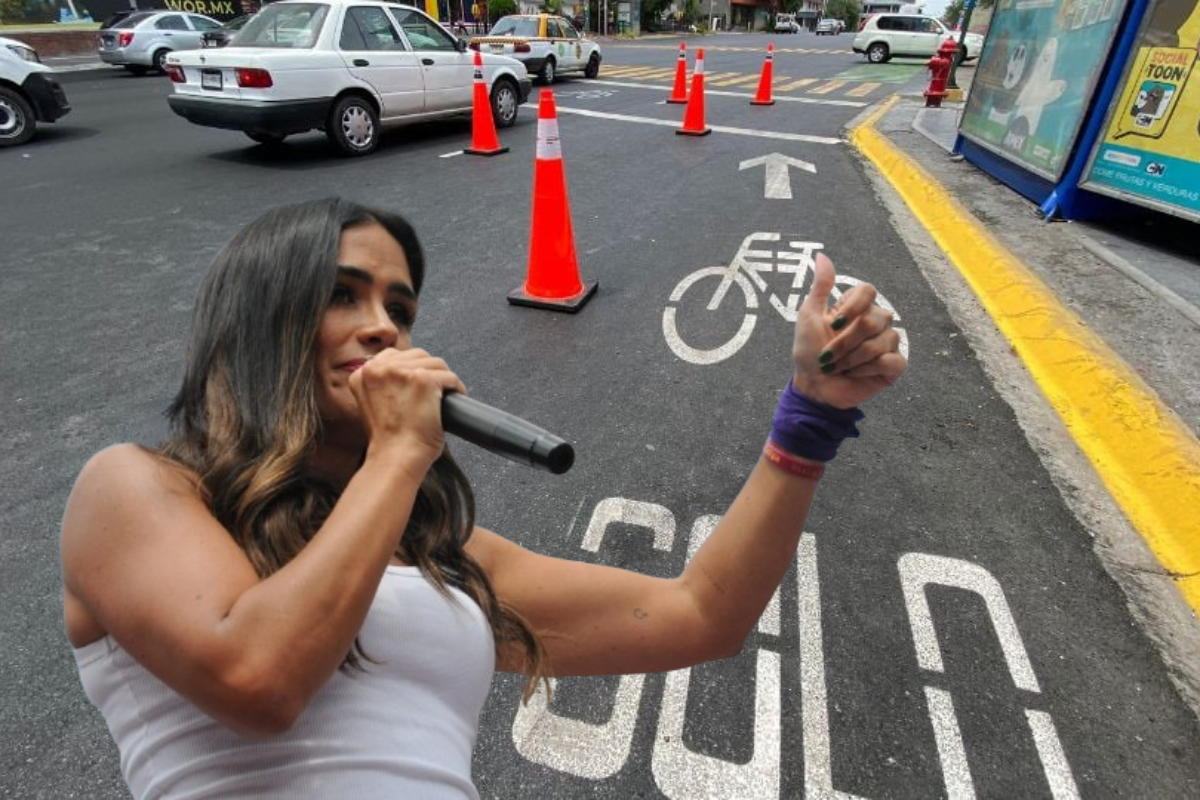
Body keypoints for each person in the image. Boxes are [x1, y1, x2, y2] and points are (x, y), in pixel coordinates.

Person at [61, 198, 905, 798]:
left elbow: (699, 615)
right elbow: (257, 681)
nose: (386, 327)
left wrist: (809, 422)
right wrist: (396, 454)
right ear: (258, 322)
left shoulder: (437, 554)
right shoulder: (138, 489)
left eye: (400, 307)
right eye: (341, 295)